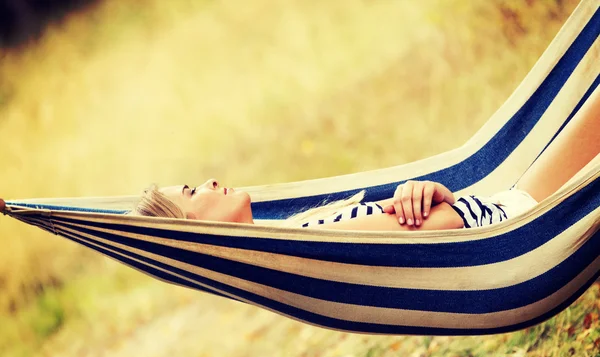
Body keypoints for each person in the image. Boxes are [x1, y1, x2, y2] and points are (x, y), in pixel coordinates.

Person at [131, 85, 600, 231]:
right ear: (189, 227)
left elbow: (429, 226)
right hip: (523, 218)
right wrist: (434, 204)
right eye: (194, 192)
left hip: (512, 206)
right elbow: (441, 232)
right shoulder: (300, 244)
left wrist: (430, 194)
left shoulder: (293, 229)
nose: (211, 181)